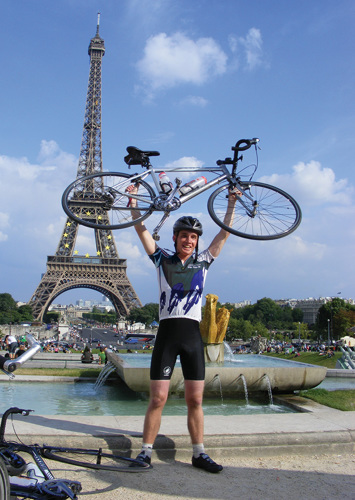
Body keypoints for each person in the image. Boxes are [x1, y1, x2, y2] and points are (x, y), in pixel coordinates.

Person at [129, 183, 237, 473]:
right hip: (167, 334)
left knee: (195, 399)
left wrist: (231, 204)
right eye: (184, 236)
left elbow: (224, 234)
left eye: (193, 237)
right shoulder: (162, 259)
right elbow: (141, 231)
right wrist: (132, 202)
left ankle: (199, 453)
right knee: (158, 398)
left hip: (191, 335)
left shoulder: (204, 262)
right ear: (175, 238)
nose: (189, 240)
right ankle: (145, 451)